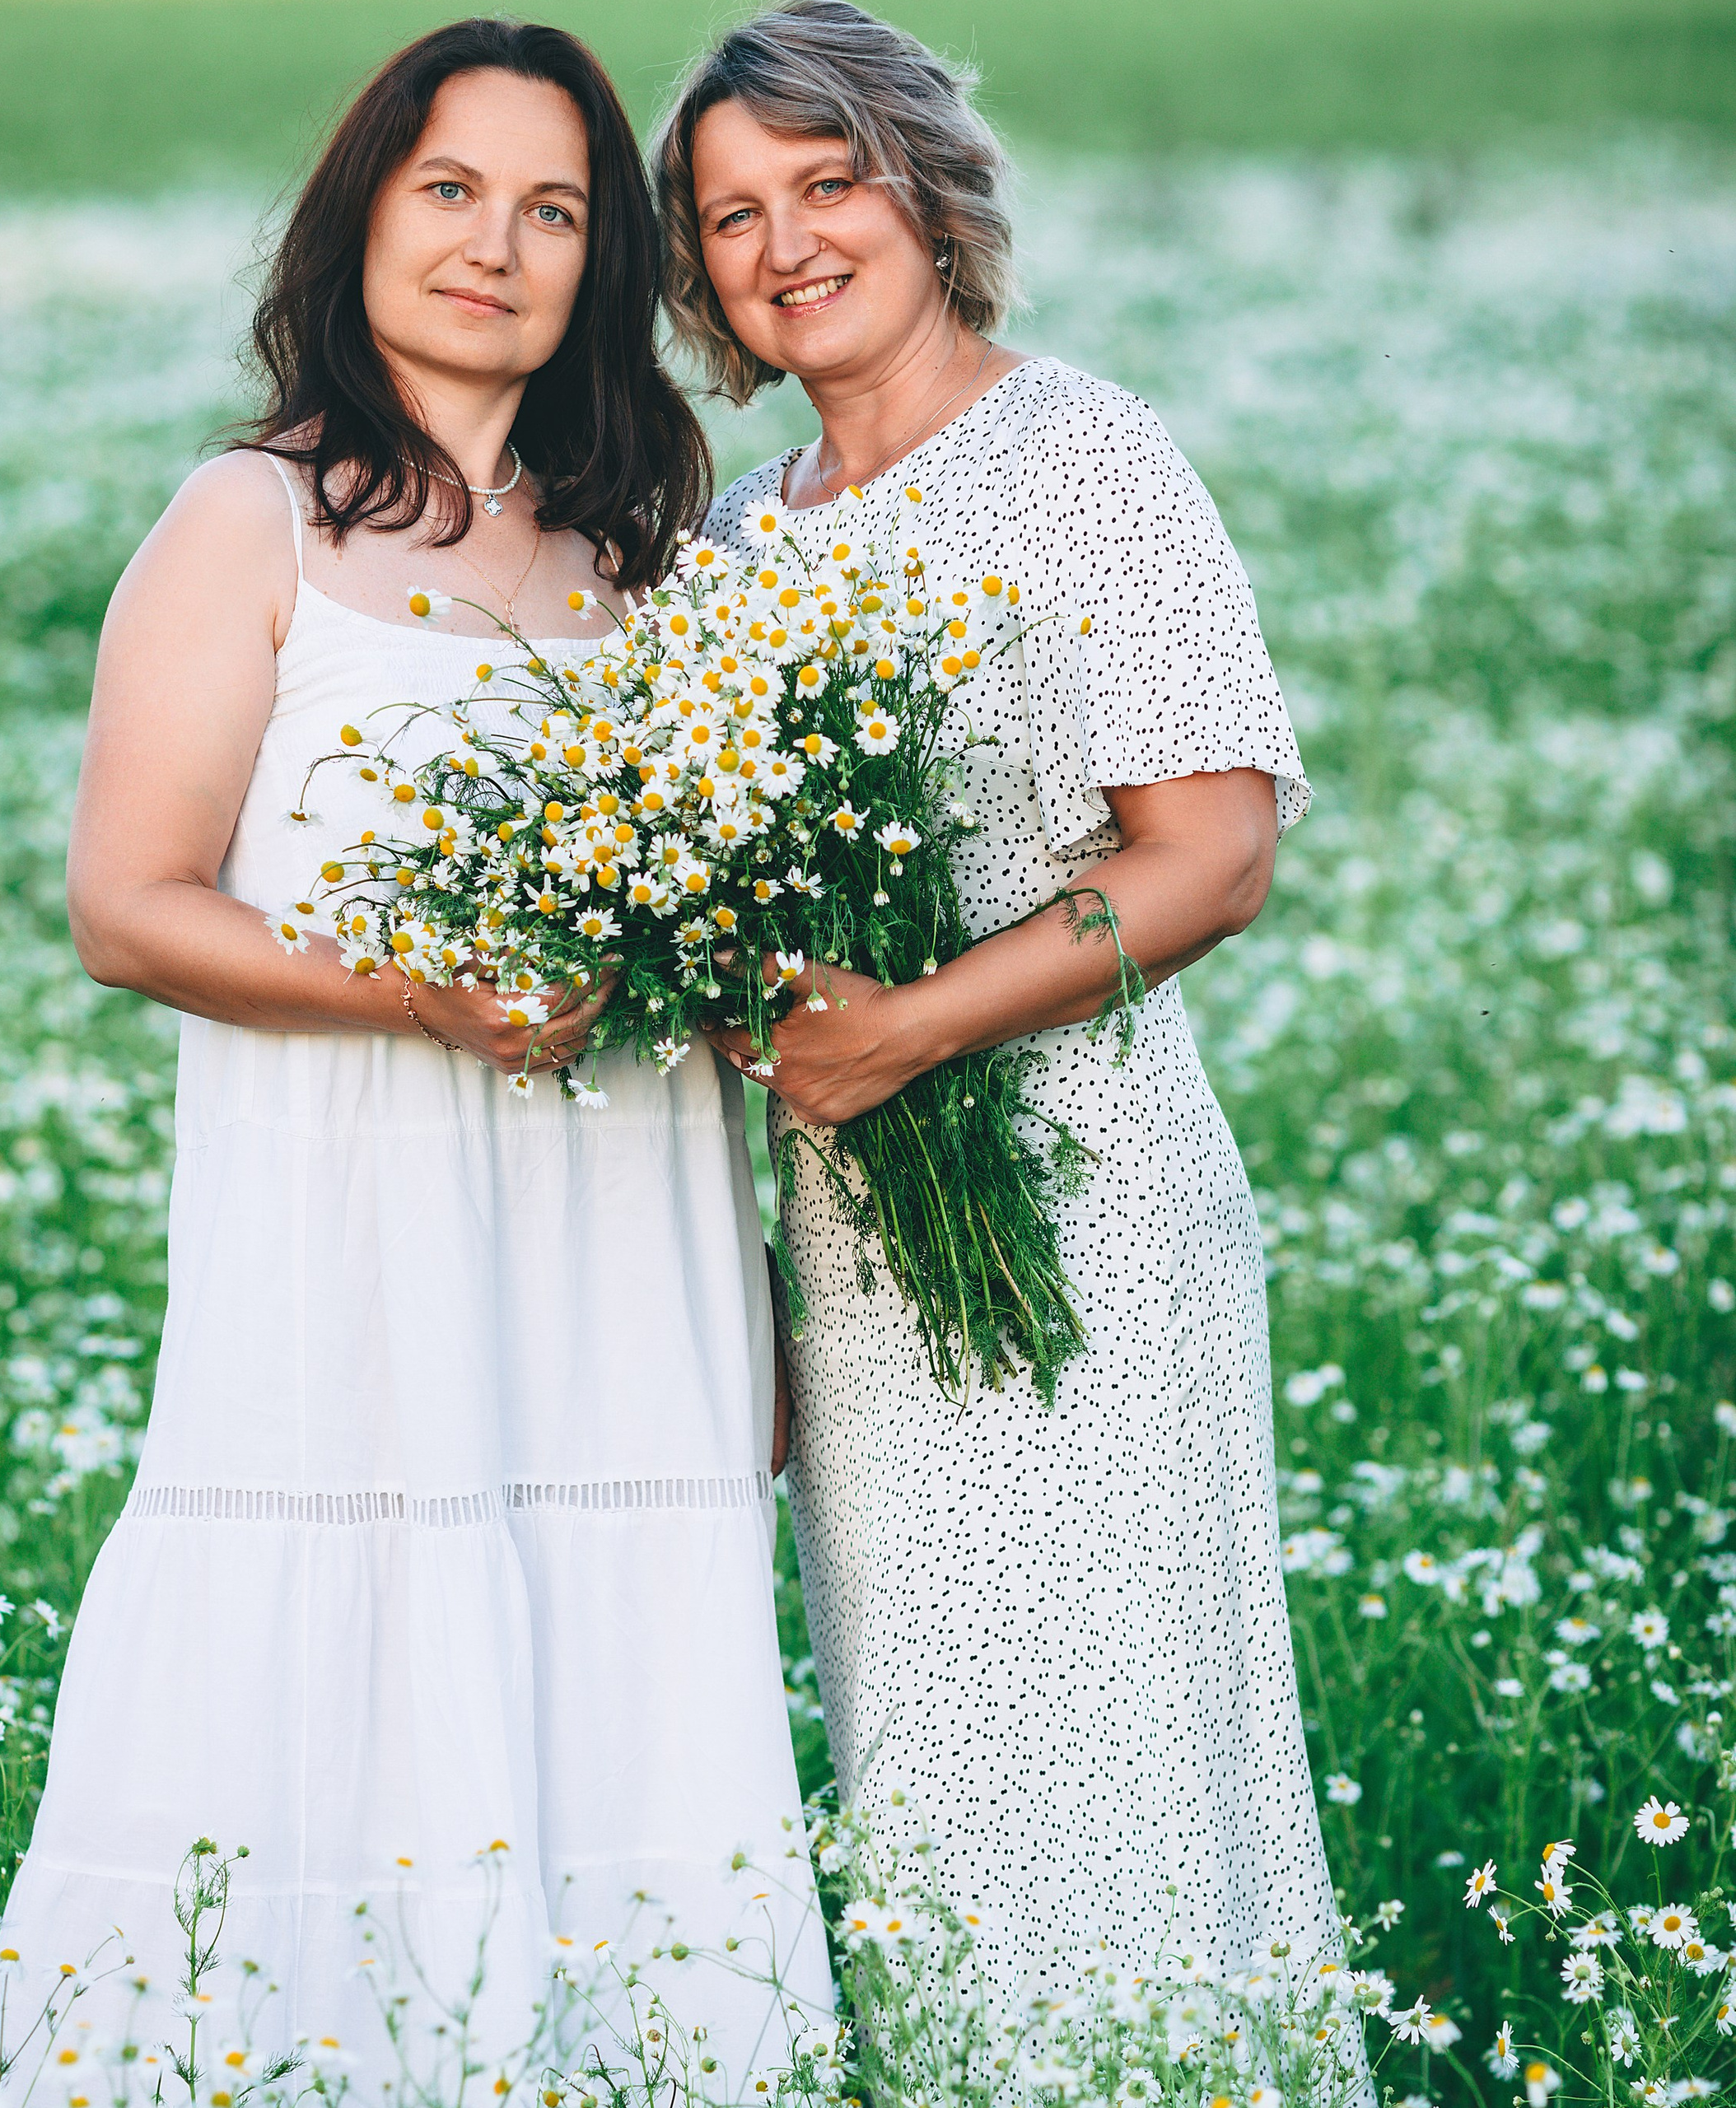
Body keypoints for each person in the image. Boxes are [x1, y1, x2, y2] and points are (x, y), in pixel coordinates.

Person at [0, 21, 827, 2092]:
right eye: (450, 191)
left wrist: (776, 1279)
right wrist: (418, 989)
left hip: (630, 1252)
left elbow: (707, 931)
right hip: (359, 1238)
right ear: (361, 211)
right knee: (339, 1646)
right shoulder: (245, 523)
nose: (493, 247)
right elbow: (128, 902)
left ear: (599, 265)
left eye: (552, 212)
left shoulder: (649, 549)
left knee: (615, 1679)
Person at [654, 0, 1352, 2008]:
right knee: (928, 1775)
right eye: (726, 217)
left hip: (1082, 1200)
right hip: (856, 1247)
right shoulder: (724, 542)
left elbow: (1206, 852)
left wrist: (911, 1026)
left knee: (1122, 1752)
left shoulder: (1085, 457)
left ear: (924, 186)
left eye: (823, 182)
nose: (784, 242)